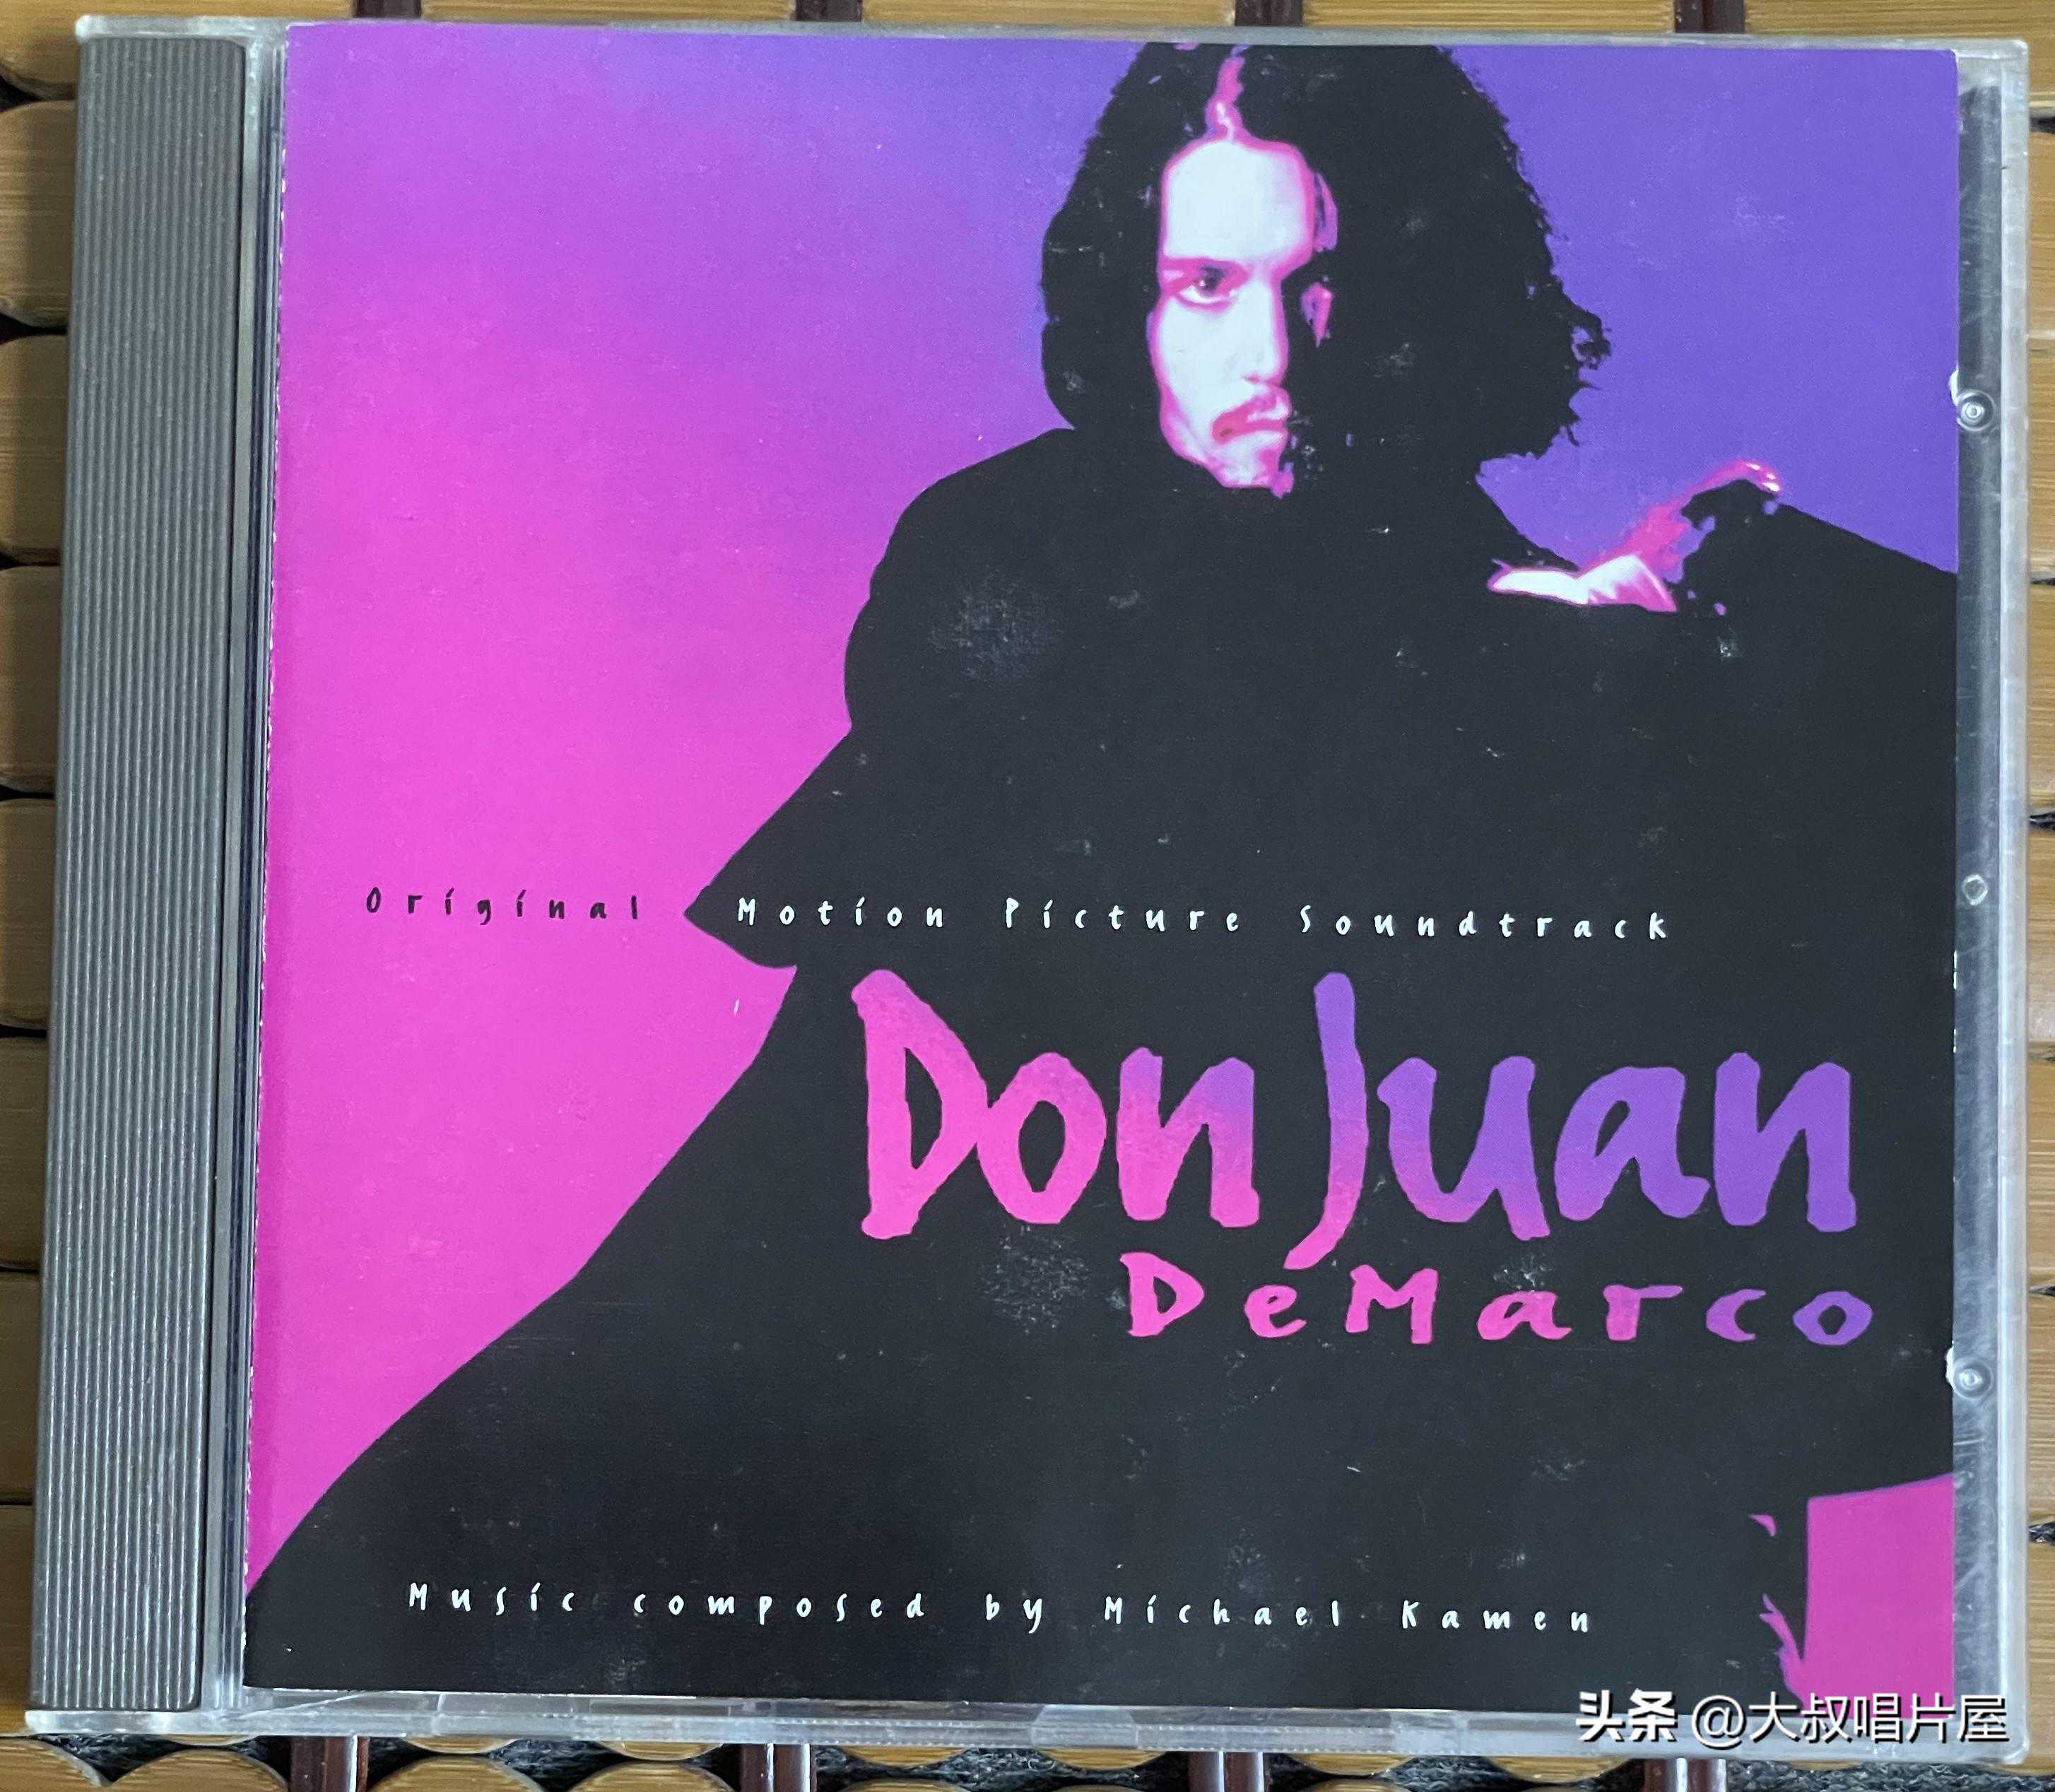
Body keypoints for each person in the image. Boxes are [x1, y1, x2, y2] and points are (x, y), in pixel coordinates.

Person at [247, 42, 1955, 1716]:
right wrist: (1567, 658)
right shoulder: (1016, 542)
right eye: (1205, 285)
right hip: (908, 1298)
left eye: (1330, 285)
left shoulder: (1556, 621)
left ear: (1443, 297)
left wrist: (1681, 646)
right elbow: (1158, 748)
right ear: (1125, 307)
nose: (1270, 352)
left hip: (1354, 1350)